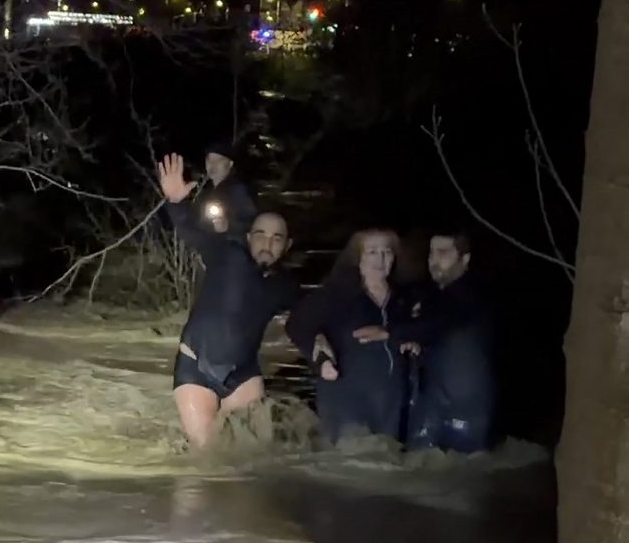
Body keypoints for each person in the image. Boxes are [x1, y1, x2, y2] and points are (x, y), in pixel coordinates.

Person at [158, 153, 299, 449]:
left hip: (243, 374)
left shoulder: (284, 286)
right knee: (208, 459)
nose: (267, 243)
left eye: (277, 238)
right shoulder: (227, 255)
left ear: (287, 245)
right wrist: (176, 202)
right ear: (248, 238)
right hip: (196, 367)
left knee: (255, 458)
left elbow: (312, 315)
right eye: (260, 235)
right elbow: (191, 232)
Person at [286, 229, 417, 445]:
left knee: (388, 459)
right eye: (372, 252)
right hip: (346, 397)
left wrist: (411, 339)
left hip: (391, 398)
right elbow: (297, 325)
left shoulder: (404, 298)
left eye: (387, 252)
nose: (380, 259)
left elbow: (420, 329)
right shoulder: (336, 294)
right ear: (358, 259)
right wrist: (319, 354)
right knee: (350, 460)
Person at [390, 230, 496, 453]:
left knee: (463, 465)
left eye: (443, 253)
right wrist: (417, 344)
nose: (434, 260)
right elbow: (433, 330)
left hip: (465, 406)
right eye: (431, 253)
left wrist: (389, 332)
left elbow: (440, 322)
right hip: (433, 400)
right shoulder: (432, 296)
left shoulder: (472, 294)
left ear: (464, 259)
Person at [193, 141, 258, 238]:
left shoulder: (238, 190)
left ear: (230, 164)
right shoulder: (204, 192)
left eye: (218, 160)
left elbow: (252, 222)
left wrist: (228, 226)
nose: (213, 164)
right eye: (209, 160)